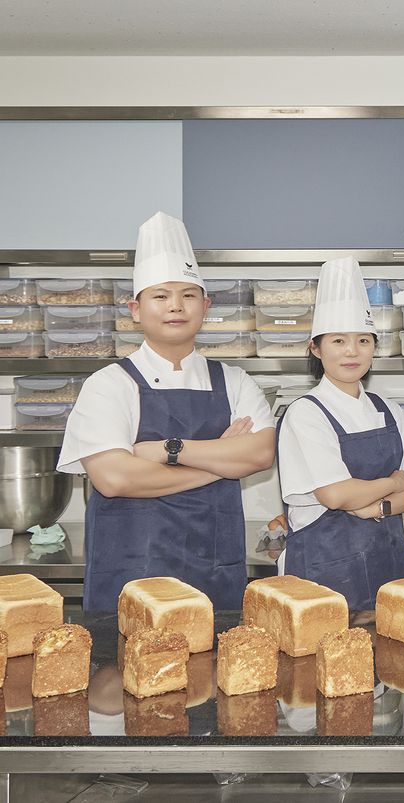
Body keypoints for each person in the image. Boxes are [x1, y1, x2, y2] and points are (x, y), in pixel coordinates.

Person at [58, 212, 275, 610]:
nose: (176, 306)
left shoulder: (235, 380)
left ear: (206, 306)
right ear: (135, 309)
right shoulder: (108, 384)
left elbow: (259, 454)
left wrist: (167, 450)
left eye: (188, 295)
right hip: (132, 575)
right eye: (161, 296)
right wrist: (220, 462)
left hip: (215, 572)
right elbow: (114, 478)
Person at [275, 256, 404, 610]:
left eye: (363, 341)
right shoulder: (305, 413)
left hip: (391, 570)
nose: (352, 351)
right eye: (338, 341)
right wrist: (393, 483)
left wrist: (375, 506)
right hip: (326, 575)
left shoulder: (392, 412)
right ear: (316, 348)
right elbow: (336, 495)